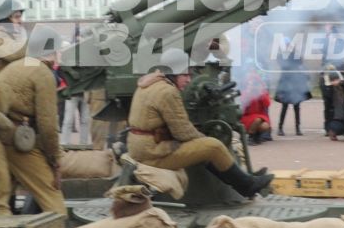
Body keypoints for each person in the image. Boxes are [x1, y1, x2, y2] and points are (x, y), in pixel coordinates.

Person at [126, 52, 271, 197]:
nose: (189, 80)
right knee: (213, 146)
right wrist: (202, 137)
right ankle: (247, 186)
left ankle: (244, 178)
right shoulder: (168, 91)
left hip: (142, 148)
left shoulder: (150, 84)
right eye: (185, 75)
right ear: (174, 74)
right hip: (153, 153)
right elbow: (182, 132)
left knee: (203, 148)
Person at [0, 23, 66, 217]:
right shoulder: (42, 74)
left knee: (0, 201)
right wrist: (55, 160)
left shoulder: (15, 66)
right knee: (51, 195)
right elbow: (48, 126)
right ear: (51, 52)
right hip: (17, 141)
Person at [273, 56, 310, 137]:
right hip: (287, 89)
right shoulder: (286, 66)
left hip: (296, 89)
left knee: (296, 108)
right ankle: (280, 128)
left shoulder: (299, 67)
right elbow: (282, 79)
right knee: (285, 108)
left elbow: (307, 77)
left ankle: (297, 128)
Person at [319, 67, 344, 140]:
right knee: (338, 128)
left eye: (336, 79)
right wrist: (330, 85)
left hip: (343, 113)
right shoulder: (326, 88)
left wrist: (342, 83)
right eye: (333, 80)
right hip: (333, 117)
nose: (335, 81)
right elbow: (327, 95)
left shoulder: (341, 86)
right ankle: (332, 131)